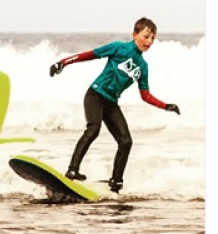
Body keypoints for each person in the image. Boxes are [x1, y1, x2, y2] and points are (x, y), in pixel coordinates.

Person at [49, 17, 180, 192]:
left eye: (152, 39)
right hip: (95, 95)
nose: (149, 42)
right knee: (93, 129)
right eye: (146, 36)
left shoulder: (143, 66)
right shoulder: (119, 47)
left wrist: (165, 106)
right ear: (135, 35)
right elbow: (89, 54)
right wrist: (63, 63)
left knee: (126, 142)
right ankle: (73, 170)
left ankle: (116, 182)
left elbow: (145, 95)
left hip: (111, 103)